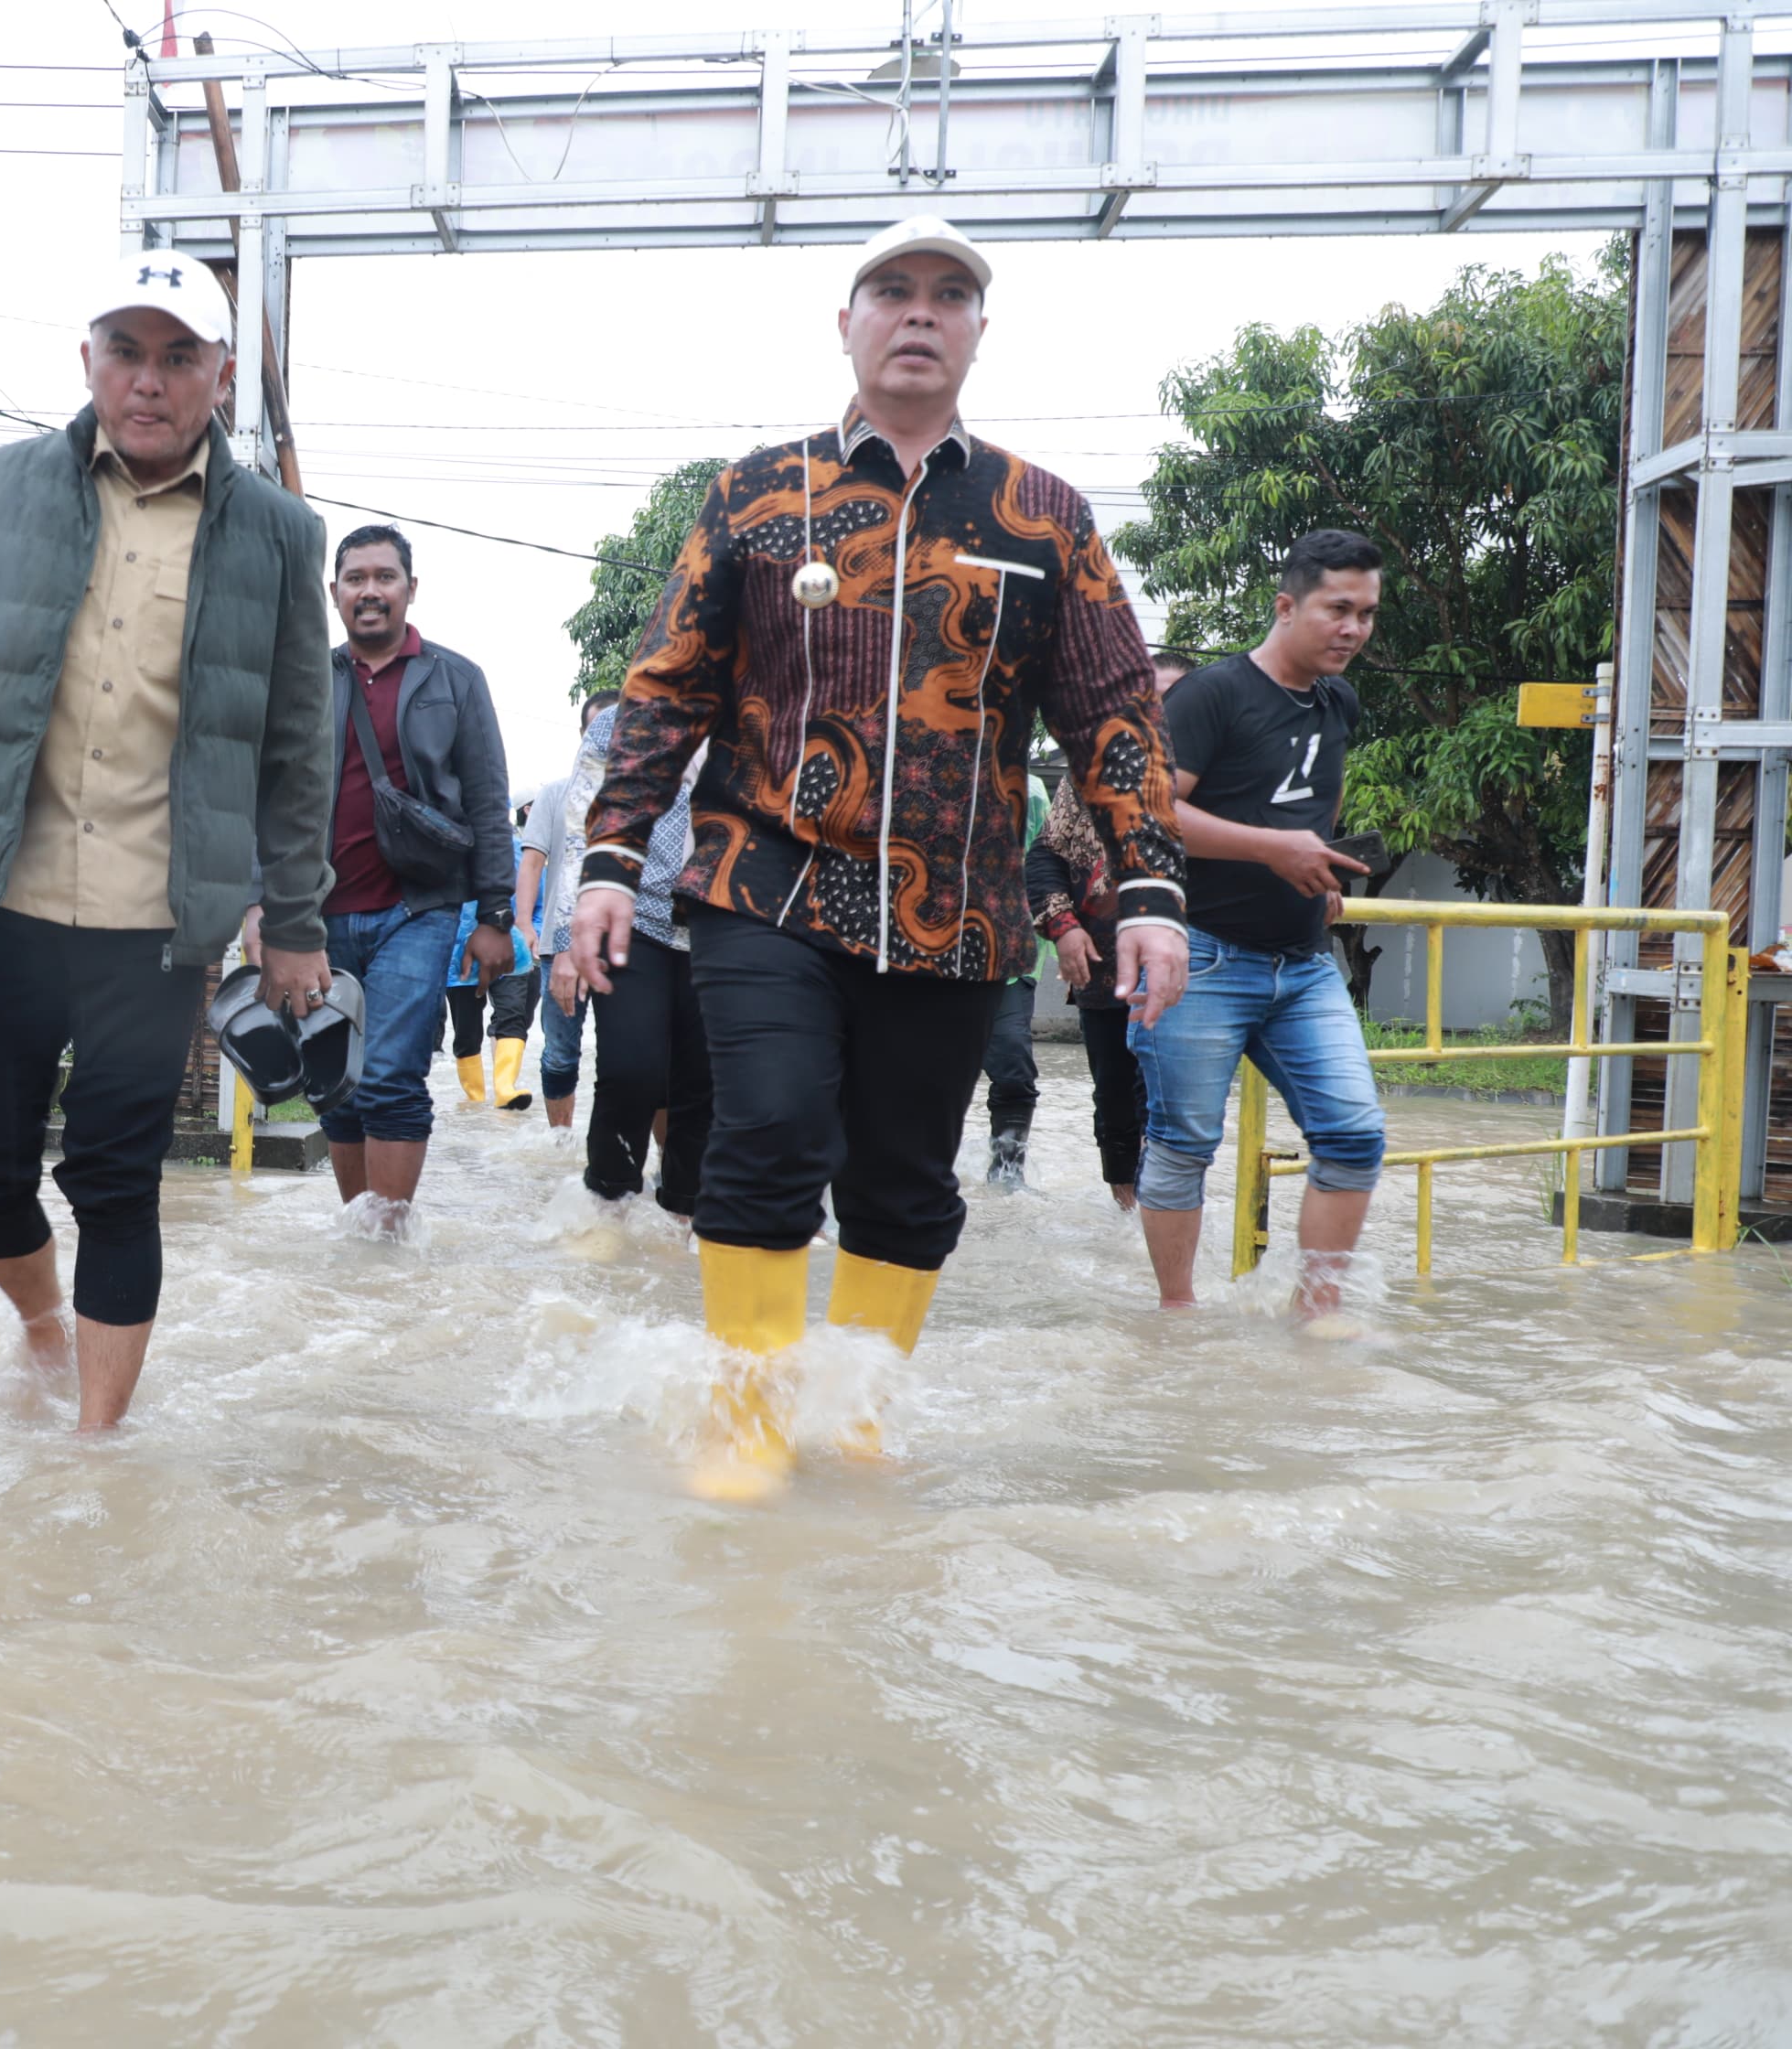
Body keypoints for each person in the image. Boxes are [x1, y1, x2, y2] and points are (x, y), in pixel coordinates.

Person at [569, 216, 1188, 1491]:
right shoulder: (757, 491)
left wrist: (1150, 891)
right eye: (892, 291)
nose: (920, 313)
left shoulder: (1043, 516)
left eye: (948, 295)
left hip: (955, 908)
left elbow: (1113, 711)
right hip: (765, 881)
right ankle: (745, 1421)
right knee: (774, 1128)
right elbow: (665, 688)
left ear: (975, 332)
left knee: (909, 1179)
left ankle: (851, 1420)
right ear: (846, 323)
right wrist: (609, 859)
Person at [0, 252, 333, 1432]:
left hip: (156, 924)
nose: (148, 383)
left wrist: (297, 924)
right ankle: (42, 1326)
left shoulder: (275, 533)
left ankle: (96, 1453)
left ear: (221, 377)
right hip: (7, 895)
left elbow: (299, 743)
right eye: (126, 352)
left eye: (177, 359)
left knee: (116, 1182)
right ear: (88, 361)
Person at [1132, 534, 1387, 1318]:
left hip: (1302, 963)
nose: (1353, 629)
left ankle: (1319, 1313)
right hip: (1201, 954)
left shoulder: (1336, 699)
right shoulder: (1209, 695)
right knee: (1184, 1147)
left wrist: (1319, 867)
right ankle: (1178, 1316)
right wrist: (1274, 850)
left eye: (1367, 614)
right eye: (1337, 609)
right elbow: (1154, 812)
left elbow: (1315, 800)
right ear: (1286, 606)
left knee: (1354, 1135)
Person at [309, 523, 517, 1223]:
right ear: (334, 592)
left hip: (417, 909)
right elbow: (269, 796)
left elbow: (489, 801)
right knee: (332, 1080)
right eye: (354, 578)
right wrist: (260, 906)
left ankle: (386, 1246)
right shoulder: (307, 680)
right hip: (318, 915)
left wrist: (495, 918)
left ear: (410, 589)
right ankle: (356, 1234)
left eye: (384, 577)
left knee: (392, 1073)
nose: (369, 591)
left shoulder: (455, 679)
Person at [1029, 649, 1195, 1208]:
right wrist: (1063, 926)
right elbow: (1046, 856)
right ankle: (1127, 1217)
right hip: (1105, 968)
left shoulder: (1216, 776)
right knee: (1117, 1101)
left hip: (1194, 966)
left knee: (1174, 1098)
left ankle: (1170, 1207)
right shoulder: (1092, 775)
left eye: (1174, 699)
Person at [547, 704, 712, 1216]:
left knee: (705, 1085)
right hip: (631, 917)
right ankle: (608, 1206)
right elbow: (579, 830)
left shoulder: (756, 708)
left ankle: (688, 1215)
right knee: (631, 1071)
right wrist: (564, 942)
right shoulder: (618, 722)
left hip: (724, 922)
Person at [518, 690, 616, 1129]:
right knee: (559, 1051)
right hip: (559, 944)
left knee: (628, 1055)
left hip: (624, 945)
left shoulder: (641, 797)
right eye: (596, 730)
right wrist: (523, 921)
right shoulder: (555, 795)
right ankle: (560, 1142)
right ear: (582, 735)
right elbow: (533, 860)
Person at [976, 771, 1052, 1191]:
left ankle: (1007, 1172)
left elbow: (1047, 863)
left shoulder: (1032, 791)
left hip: (1009, 954)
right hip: (933, 951)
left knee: (1012, 1063)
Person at [442, 893, 535, 1112]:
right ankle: (475, 1100)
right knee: (466, 1034)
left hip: (508, 950)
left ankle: (505, 1089)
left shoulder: (505, 860)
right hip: (458, 959)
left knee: (513, 1016)